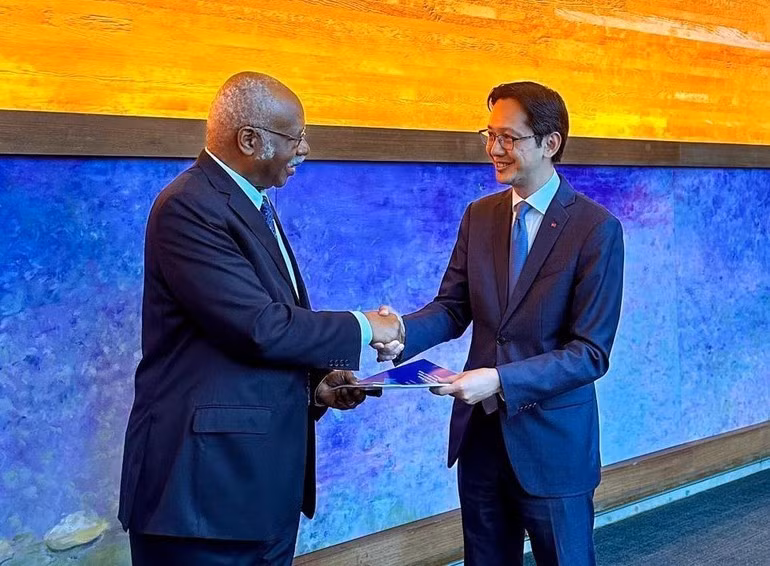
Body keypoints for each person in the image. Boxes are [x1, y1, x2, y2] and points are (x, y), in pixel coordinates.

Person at [118, 71, 402, 565]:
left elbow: (245, 338)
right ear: (249, 140)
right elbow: (259, 327)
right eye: (295, 136)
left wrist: (317, 384)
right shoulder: (188, 207)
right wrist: (365, 326)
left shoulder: (249, 203)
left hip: (256, 496)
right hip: (203, 501)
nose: (305, 149)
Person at [377, 81, 624, 565]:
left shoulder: (596, 229)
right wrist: (402, 333)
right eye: (489, 135)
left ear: (550, 143)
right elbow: (452, 307)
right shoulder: (479, 216)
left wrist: (498, 379)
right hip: (482, 440)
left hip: (553, 444)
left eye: (508, 138)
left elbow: (590, 353)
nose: (494, 149)